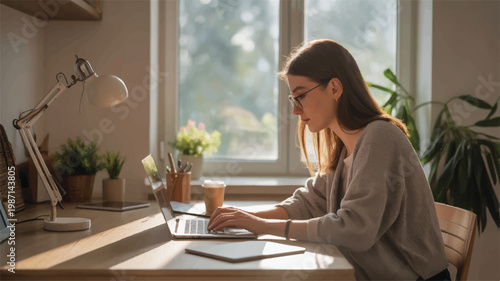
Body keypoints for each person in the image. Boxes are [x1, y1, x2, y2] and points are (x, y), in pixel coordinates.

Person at [207, 39, 450, 280]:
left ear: (334, 88)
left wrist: (263, 226)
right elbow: (309, 203)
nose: (295, 110)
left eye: (300, 95)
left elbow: (355, 229)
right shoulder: (346, 146)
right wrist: (241, 217)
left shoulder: (380, 138)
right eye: (293, 99)